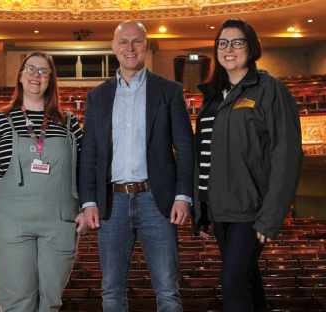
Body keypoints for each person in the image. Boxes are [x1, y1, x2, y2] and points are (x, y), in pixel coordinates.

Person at [78, 20, 195, 312]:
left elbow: (185, 147)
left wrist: (183, 196)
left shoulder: (169, 91)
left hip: (157, 200)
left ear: (147, 45)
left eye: (136, 41)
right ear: (113, 48)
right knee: (111, 292)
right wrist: (89, 201)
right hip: (111, 202)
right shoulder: (98, 96)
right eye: (123, 42)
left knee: (168, 291)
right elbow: (89, 153)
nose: (130, 48)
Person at [192, 19, 304, 312]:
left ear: (252, 47)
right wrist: (202, 210)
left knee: (233, 285)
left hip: (250, 212)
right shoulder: (212, 97)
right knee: (247, 282)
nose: (229, 49)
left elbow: (287, 155)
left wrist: (271, 216)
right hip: (220, 211)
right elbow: (204, 155)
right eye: (223, 43)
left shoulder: (270, 90)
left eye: (237, 42)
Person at [0, 51, 88, 312]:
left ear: (51, 80)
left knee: (50, 301)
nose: (35, 75)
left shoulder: (70, 123)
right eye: (30, 69)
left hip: (59, 222)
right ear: (19, 75)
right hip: (9, 222)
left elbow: (85, 172)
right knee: (17, 301)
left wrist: (85, 209)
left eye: (43, 71)